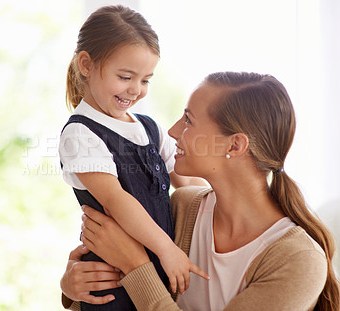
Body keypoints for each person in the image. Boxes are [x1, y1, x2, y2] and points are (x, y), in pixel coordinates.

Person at [61, 72, 340, 310]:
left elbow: (137, 272)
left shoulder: (299, 260)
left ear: (234, 146)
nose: (171, 131)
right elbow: (121, 294)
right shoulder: (182, 208)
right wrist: (74, 287)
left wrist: (136, 266)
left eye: (188, 121)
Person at [59, 5, 208, 311]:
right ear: (86, 64)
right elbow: (117, 201)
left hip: (153, 271)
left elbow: (187, 182)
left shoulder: (148, 127)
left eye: (145, 80)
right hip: (111, 281)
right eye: (126, 76)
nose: (137, 90)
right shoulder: (80, 134)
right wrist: (167, 249)